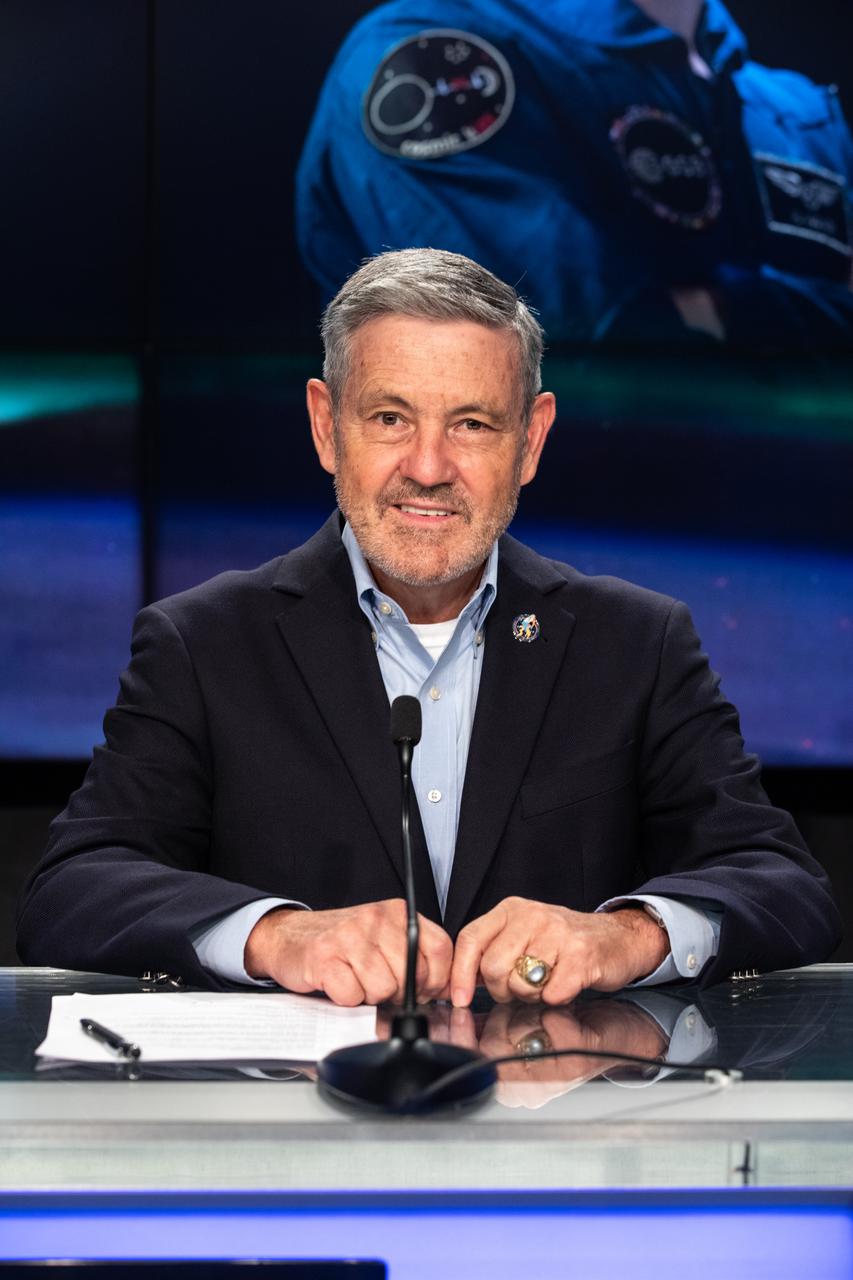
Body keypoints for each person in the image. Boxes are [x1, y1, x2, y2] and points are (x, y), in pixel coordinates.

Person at [17, 248, 840, 1006]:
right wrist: (276, 935)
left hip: (555, 1139)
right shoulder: (200, 643)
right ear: (324, 425)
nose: (428, 466)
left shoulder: (636, 643)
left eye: (472, 424)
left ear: (531, 441)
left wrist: (625, 935)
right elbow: (74, 888)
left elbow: (783, 885)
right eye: (389, 419)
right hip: (294, 1141)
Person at [296, 0, 853, 350]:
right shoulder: (438, 58)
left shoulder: (801, 112)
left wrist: (709, 310)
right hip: (565, 528)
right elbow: (571, 339)